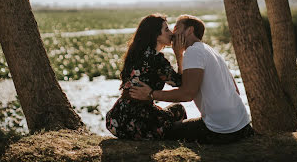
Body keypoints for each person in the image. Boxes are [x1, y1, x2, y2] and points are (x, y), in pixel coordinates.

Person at [130, 14, 254, 144]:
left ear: (189, 31)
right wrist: (179, 55)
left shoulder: (193, 51)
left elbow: (187, 93)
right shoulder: (211, 51)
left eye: (177, 28)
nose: (173, 33)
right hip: (243, 125)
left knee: (166, 130)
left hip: (221, 131)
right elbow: (236, 90)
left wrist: (151, 94)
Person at [105, 14, 187, 140]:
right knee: (178, 109)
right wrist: (179, 54)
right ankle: (178, 141)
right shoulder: (157, 60)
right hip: (139, 123)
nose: (171, 33)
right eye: (166, 30)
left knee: (162, 111)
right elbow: (180, 83)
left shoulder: (136, 54)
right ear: (155, 35)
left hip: (116, 120)